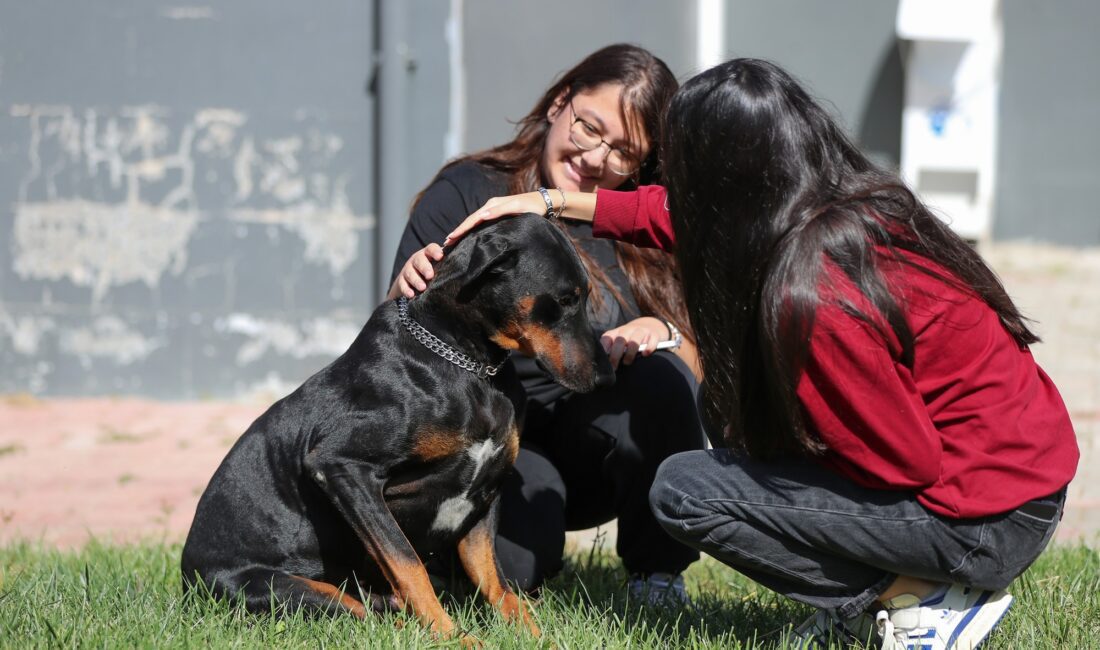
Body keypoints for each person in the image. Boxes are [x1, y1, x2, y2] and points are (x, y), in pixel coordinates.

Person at [443, 58, 1079, 650]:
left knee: (687, 491)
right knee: (730, 409)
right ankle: (903, 584)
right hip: (1013, 482)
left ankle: (921, 602)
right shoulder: (829, 202)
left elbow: (905, 459)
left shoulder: (819, 291)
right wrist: (547, 203)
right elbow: (668, 215)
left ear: (726, 180)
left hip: (979, 517)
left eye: (682, 166)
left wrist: (788, 432)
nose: (670, 182)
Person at [387, 44, 706, 600]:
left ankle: (658, 575)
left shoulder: (643, 225)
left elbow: (699, 370)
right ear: (561, 102)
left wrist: (664, 333)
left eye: (624, 152)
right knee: (511, 573)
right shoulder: (469, 191)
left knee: (663, 381)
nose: (595, 156)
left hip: (593, 440)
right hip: (484, 441)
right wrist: (403, 290)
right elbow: (395, 332)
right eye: (589, 127)